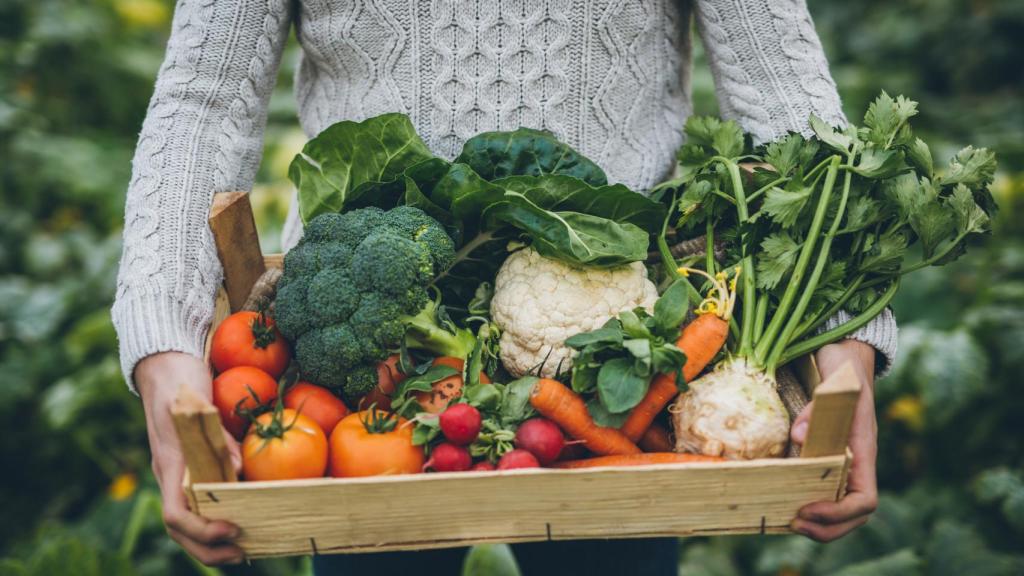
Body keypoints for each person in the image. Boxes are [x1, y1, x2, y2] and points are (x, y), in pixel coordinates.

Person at [113, 0, 897, 573]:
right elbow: (202, 104)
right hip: (371, 370)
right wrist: (164, 344)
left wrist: (846, 342)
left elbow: (784, 94)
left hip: (622, 365)